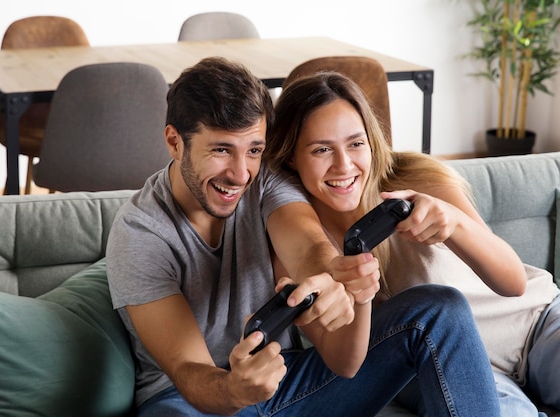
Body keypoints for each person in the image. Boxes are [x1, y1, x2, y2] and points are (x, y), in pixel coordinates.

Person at [106, 56, 502, 417]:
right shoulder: (140, 234)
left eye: (254, 149)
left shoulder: (263, 181)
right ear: (175, 141)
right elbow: (187, 371)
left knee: (439, 310)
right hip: (191, 399)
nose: (241, 173)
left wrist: (330, 275)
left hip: (291, 378)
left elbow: (305, 240)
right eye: (222, 150)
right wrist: (234, 388)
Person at [265, 71, 560, 417]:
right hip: (452, 366)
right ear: (291, 158)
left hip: (537, 323)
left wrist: (454, 223)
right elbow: (343, 362)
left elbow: (512, 282)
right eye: (321, 150)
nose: (344, 165)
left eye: (356, 143)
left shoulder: (414, 178)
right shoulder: (299, 245)